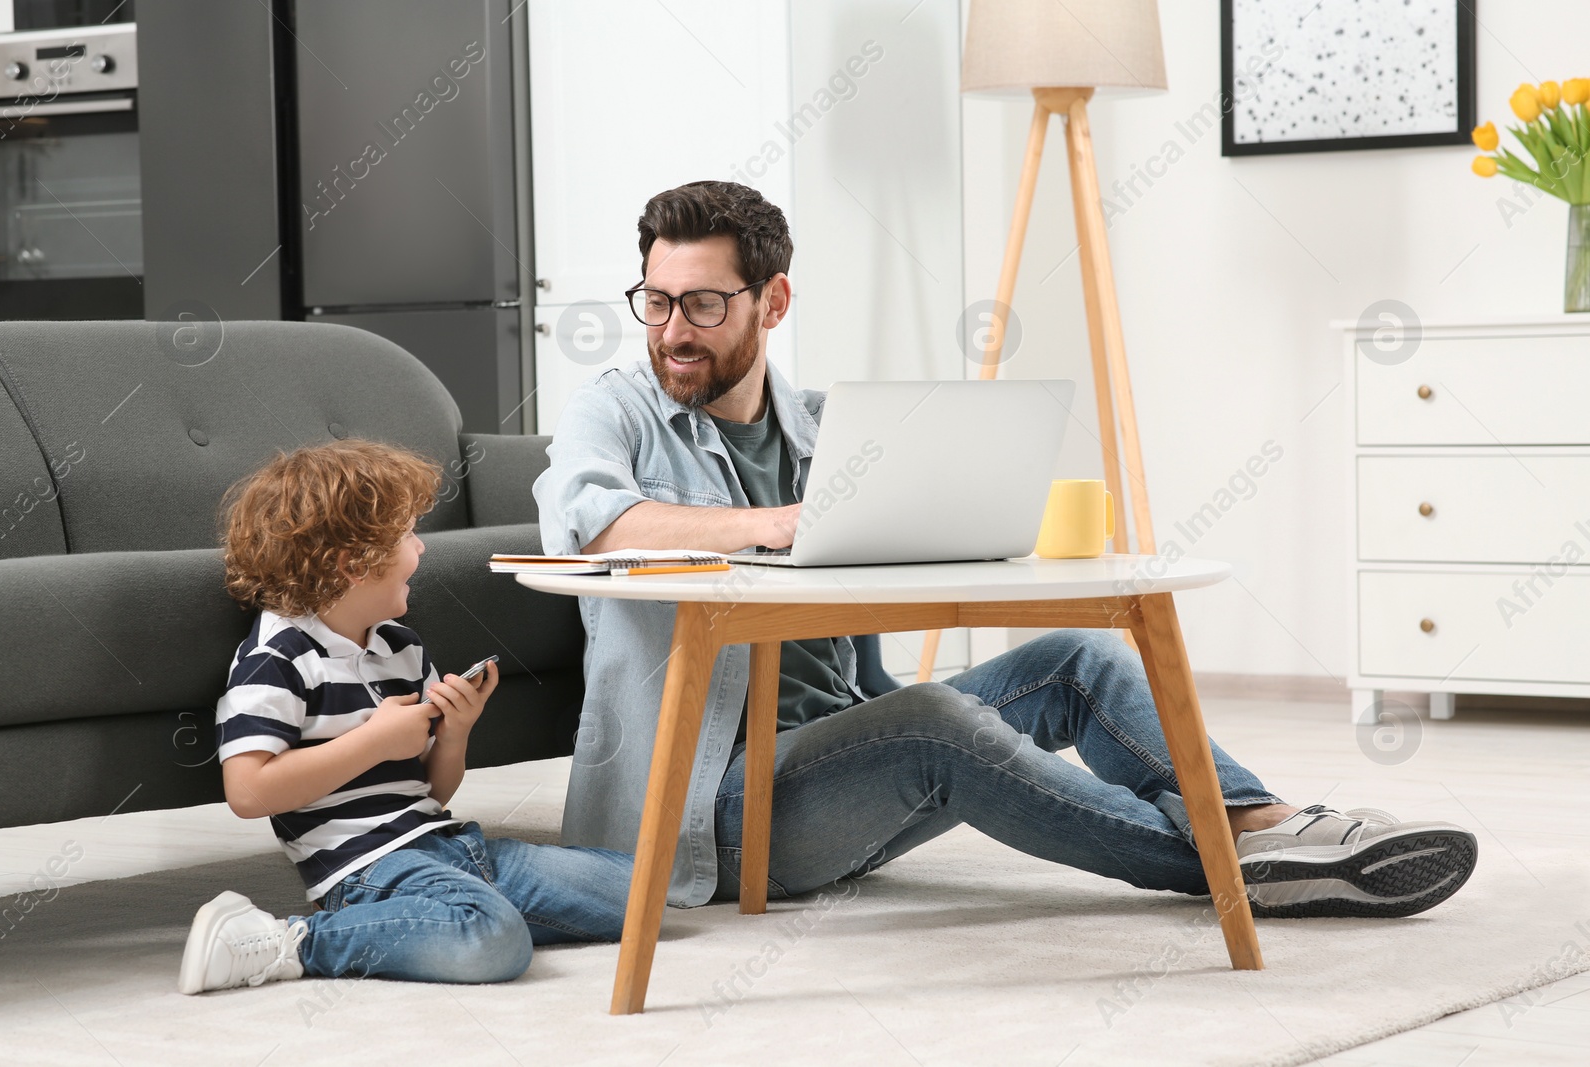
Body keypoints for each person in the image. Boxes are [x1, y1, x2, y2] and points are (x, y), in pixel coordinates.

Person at [532, 179, 1478, 922]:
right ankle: (1249, 870)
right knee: (942, 720)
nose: (669, 333)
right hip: (713, 809)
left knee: (1079, 654)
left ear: (772, 301)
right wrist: (772, 525)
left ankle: (1255, 820)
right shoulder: (611, 410)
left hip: (849, 753)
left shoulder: (830, 427)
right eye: (653, 302)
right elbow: (590, 521)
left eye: (700, 304)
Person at [178, 440, 633, 994]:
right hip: (368, 872)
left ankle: (442, 922)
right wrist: (373, 741)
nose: (420, 547)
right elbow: (248, 792)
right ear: (353, 563)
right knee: (494, 940)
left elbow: (433, 793)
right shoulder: (278, 657)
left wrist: (454, 734)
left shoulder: (401, 647)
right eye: (406, 536)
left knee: (641, 891)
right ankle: (291, 940)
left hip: (449, 844)